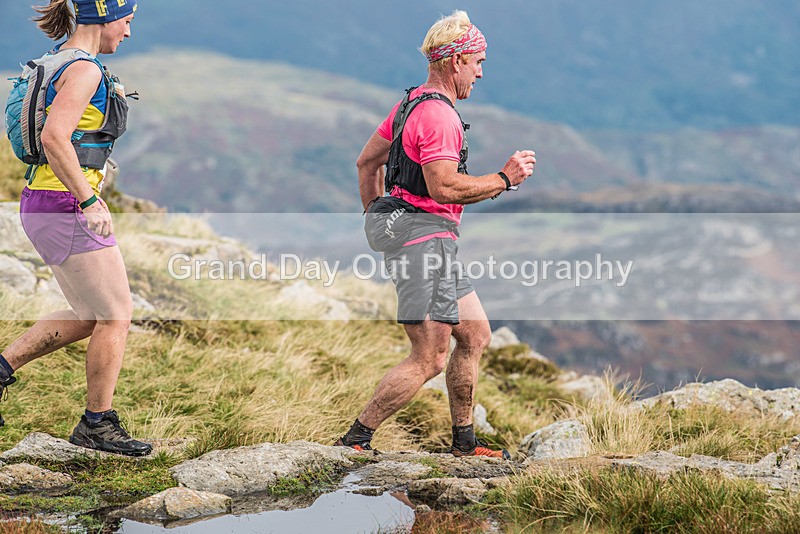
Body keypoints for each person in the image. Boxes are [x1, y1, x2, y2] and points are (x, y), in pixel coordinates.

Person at [336, 10, 536, 457]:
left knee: (476, 334)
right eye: (477, 61)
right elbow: (443, 185)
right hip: (424, 244)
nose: (481, 72)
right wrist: (505, 178)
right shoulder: (441, 118)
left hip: (425, 242)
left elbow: (367, 163)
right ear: (455, 61)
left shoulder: (408, 105)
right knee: (429, 357)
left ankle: (464, 442)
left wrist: (377, 219)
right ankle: (355, 440)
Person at [0, 0, 151, 456]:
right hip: (64, 204)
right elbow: (53, 137)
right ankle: (97, 423)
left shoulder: (57, 60)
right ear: (104, 18)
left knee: (90, 313)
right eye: (126, 22)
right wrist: (87, 198)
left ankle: (1, 369)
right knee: (116, 315)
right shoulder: (84, 70)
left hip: (42, 201)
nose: (128, 33)